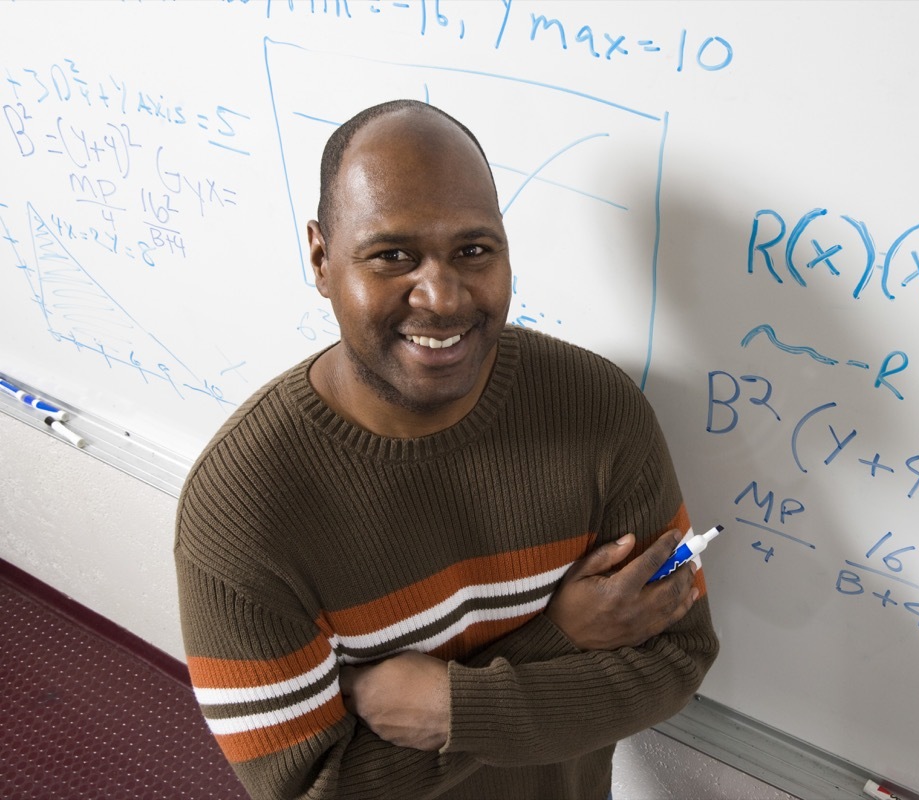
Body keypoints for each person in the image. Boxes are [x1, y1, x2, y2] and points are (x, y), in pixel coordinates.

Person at [174, 99, 719, 800]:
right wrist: (560, 643)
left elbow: (679, 654)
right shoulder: (244, 510)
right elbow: (314, 792)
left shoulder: (598, 409)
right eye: (393, 255)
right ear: (320, 258)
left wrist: (449, 708)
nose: (440, 296)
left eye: (473, 250)